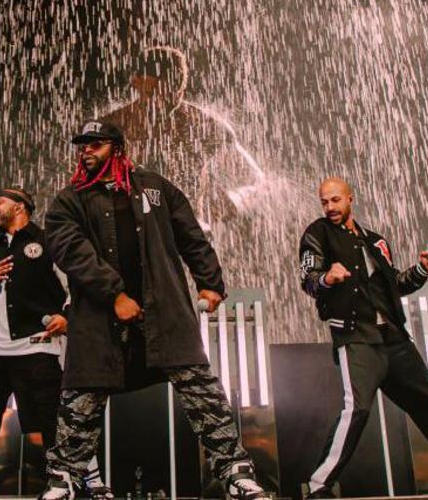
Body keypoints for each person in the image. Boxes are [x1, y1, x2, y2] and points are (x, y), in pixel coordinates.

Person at [37, 120, 265, 500]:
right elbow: (70, 251)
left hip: (163, 312)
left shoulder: (155, 186)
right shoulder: (70, 199)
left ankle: (236, 473)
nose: (86, 151)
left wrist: (209, 282)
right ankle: (63, 480)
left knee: (202, 392)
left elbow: (190, 234)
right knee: (81, 399)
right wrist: (114, 296)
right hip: (100, 319)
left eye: (95, 145)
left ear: (116, 147)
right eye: (83, 146)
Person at [298, 177, 428, 498]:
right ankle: (319, 486)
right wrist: (326, 278)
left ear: (350, 199)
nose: (330, 207)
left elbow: (395, 285)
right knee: (357, 409)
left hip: (394, 339)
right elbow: (308, 279)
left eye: (335, 200)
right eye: (324, 202)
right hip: (355, 336)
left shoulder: (376, 241)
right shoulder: (316, 233)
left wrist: (421, 269)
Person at [0, 187, 111, 500]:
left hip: (36, 348)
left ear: (20, 206)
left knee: (59, 422)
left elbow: (76, 286)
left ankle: (94, 484)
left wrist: (67, 317)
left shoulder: (49, 242)